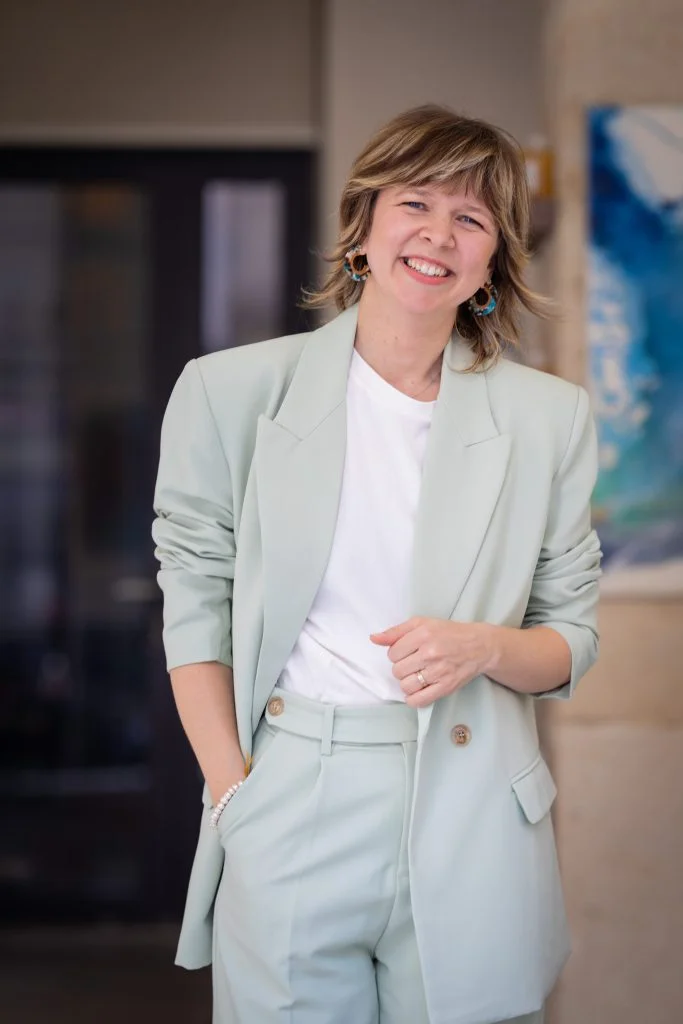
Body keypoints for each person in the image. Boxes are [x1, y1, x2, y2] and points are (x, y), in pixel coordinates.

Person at [151, 104, 602, 1024]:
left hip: (476, 806)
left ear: (492, 261)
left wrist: (483, 646)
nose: (438, 235)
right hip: (292, 792)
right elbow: (194, 600)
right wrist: (234, 793)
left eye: (471, 218)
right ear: (361, 226)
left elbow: (571, 637)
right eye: (415, 204)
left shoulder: (548, 419)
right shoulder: (229, 392)